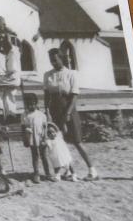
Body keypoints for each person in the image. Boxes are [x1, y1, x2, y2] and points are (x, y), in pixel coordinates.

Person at [43, 48, 98, 180]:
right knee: (58, 142)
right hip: (54, 111)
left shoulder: (71, 74)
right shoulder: (48, 75)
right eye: (51, 61)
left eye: (55, 60)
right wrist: (47, 111)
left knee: (77, 141)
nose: (54, 63)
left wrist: (67, 113)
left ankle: (92, 170)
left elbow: (74, 96)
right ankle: (68, 171)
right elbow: (46, 95)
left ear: (62, 59)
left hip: (68, 109)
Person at [21, 92, 51, 183]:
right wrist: (25, 137)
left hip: (41, 137)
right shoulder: (24, 115)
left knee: (44, 156)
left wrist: (45, 137)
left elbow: (45, 127)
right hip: (31, 138)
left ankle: (48, 174)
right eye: (29, 104)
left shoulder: (41, 114)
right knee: (35, 156)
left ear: (36, 103)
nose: (31, 106)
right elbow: (23, 127)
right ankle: (36, 173)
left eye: (33, 104)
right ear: (26, 105)